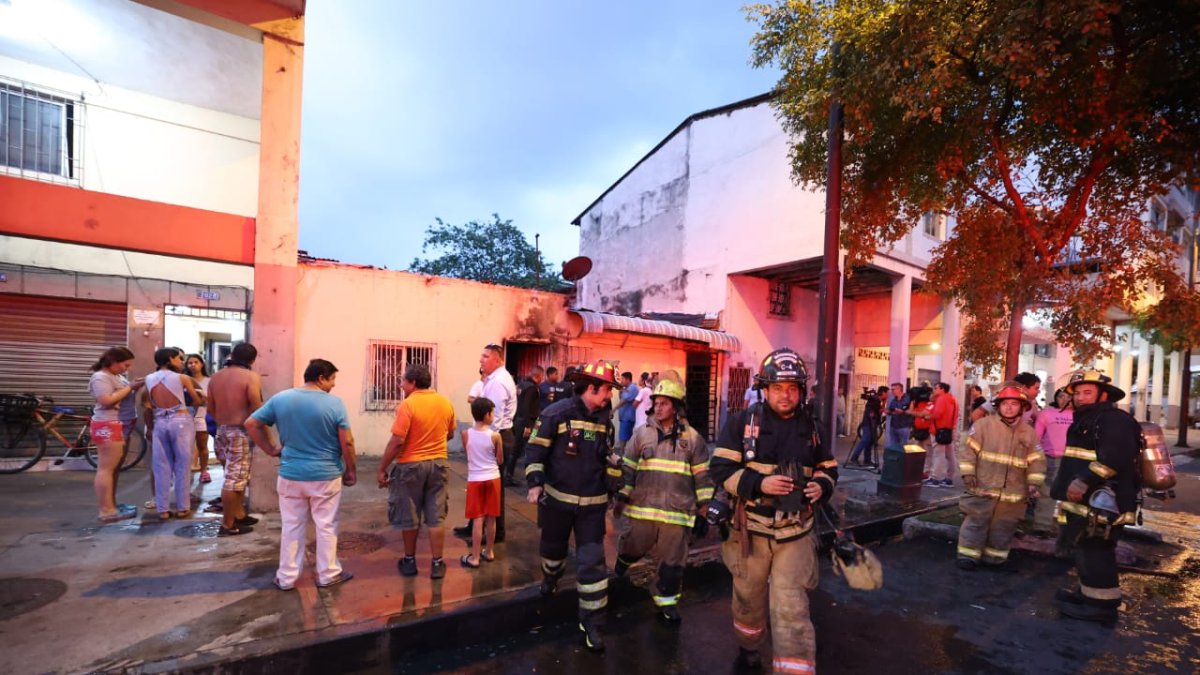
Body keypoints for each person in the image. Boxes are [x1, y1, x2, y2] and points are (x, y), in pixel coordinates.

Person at [709, 348, 839, 673]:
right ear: (764, 389)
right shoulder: (741, 424)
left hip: (795, 533)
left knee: (791, 609)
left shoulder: (813, 429)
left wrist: (821, 486)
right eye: (778, 388)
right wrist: (759, 484)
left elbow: (829, 469)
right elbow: (721, 470)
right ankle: (750, 651)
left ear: (801, 391)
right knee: (748, 601)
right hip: (749, 533)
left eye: (793, 388)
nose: (786, 395)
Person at [525, 359, 621, 653]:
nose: (610, 395)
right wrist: (535, 482)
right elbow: (535, 449)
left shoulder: (606, 420)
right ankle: (551, 577)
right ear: (591, 388)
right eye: (607, 389)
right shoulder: (556, 413)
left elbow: (606, 458)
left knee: (593, 565)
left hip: (592, 507)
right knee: (552, 551)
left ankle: (593, 623)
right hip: (556, 503)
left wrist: (616, 486)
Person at [246, 358, 357, 590]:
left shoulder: (281, 398)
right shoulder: (334, 404)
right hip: (325, 476)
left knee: (292, 526)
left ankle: (286, 578)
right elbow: (346, 441)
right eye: (332, 379)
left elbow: (251, 423)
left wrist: (271, 449)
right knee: (326, 525)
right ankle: (328, 574)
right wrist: (351, 470)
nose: (334, 385)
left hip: (291, 475)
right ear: (321, 378)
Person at [613, 379, 712, 624]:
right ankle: (621, 566)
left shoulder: (693, 439)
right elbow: (628, 470)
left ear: (676, 407)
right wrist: (622, 497)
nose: (658, 408)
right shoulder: (641, 434)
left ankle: (666, 605)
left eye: (664, 403)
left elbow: (703, 478)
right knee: (632, 547)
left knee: (672, 564)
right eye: (656, 403)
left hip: (677, 514)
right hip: (643, 509)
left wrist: (703, 512)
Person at [1051, 370, 1140, 624]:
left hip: (1103, 502)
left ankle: (1101, 607)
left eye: (1086, 392)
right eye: (1077, 393)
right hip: (1084, 502)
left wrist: (1083, 480)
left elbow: (1114, 457)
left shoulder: (1113, 419)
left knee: (1096, 549)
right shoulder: (1088, 419)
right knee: (1084, 546)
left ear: (1103, 394)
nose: (1080, 397)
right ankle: (1088, 594)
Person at [376, 362, 457, 578]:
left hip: (410, 466)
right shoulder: (445, 403)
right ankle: (437, 564)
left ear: (413, 383)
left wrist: (382, 468)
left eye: (403, 381)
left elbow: (397, 440)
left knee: (409, 515)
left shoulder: (408, 405)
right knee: (435, 516)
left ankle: (410, 561)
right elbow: (450, 434)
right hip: (439, 463)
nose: (401, 385)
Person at [955, 383, 1045, 570]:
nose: (1009, 407)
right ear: (998, 406)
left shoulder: (1028, 432)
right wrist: (968, 473)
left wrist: (1034, 483)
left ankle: (994, 558)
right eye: (1005, 403)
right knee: (976, 521)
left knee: (1004, 526)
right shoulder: (982, 426)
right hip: (982, 486)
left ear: (1022, 407)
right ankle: (968, 556)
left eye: (1014, 403)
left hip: (1013, 491)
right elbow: (968, 452)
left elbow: (1036, 460)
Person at [455, 343, 517, 543]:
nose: (481, 360)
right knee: (482, 485)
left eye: (485, 356)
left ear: (497, 359)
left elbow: (494, 418)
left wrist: (484, 444)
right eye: (481, 356)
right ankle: (475, 526)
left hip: (496, 437)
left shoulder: (498, 382)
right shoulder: (493, 380)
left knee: (492, 488)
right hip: (492, 436)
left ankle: (494, 533)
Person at [206, 342, 263, 536]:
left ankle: (239, 514)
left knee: (237, 477)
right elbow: (256, 405)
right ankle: (228, 524)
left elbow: (210, 408)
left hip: (221, 431)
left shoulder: (216, 377)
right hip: (239, 431)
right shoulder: (250, 377)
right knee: (234, 480)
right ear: (252, 360)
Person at [88, 346, 145, 522]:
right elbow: (106, 400)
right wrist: (131, 387)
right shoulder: (100, 377)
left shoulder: (116, 376)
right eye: (125, 365)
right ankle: (106, 510)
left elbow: (120, 393)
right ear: (113, 362)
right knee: (106, 469)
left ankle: (112, 504)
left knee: (114, 469)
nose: (126, 369)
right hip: (109, 425)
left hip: (121, 425)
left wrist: (133, 385)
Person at [145, 348, 203, 519]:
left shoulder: (148, 378)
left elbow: (149, 405)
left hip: (160, 421)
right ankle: (183, 507)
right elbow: (196, 400)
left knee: (161, 465)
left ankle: (162, 509)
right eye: (179, 358)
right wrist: (202, 398)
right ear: (170, 359)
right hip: (181, 421)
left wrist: (150, 427)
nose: (182, 362)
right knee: (183, 465)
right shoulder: (182, 378)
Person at [459, 397, 503, 569]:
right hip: (493, 477)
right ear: (487, 415)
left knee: (478, 518)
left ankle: (475, 557)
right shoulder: (495, 436)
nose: (493, 415)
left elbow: (468, 454)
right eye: (492, 412)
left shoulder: (465, 434)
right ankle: (489, 552)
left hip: (475, 479)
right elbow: (499, 460)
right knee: (491, 517)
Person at [1032, 388, 1073, 535]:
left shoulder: (1080, 415)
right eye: (1061, 396)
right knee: (1047, 492)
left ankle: (1066, 529)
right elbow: (1036, 437)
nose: (1064, 399)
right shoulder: (1047, 413)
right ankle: (1042, 526)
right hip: (1051, 459)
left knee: (1070, 494)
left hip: (1072, 460)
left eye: (1068, 397)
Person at [507, 365, 544, 486]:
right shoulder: (532, 388)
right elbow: (526, 407)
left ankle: (509, 475)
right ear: (538, 376)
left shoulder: (521, 385)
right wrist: (528, 426)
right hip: (528, 423)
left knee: (517, 449)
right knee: (531, 447)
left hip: (518, 421)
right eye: (541, 377)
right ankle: (511, 476)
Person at [922, 383, 960, 488]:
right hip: (949, 430)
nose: (934, 390)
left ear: (942, 389)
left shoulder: (941, 399)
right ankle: (949, 478)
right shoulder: (953, 399)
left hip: (938, 430)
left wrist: (927, 417)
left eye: (936, 388)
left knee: (938, 454)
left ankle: (936, 479)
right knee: (950, 455)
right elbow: (956, 415)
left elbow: (937, 414)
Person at [185, 354, 212, 485]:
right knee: (186, 447)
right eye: (190, 363)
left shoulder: (209, 380)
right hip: (185, 417)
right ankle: (187, 472)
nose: (193, 365)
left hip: (202, 415)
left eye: (196, 362)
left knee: (202, 445)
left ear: (202, 364)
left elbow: (213, 398)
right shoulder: (184, 379)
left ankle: (203, 471)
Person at [846, 385, 886, 469]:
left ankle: (867, 460)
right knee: (865, 440)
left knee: (870, 441)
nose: (888, 394)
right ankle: (854, 458)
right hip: (869, 423)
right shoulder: (875, 400)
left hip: (872, 423)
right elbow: (875, 412)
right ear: (883, 393)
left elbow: (878, 412)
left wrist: (884, 403)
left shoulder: (877, 400)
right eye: (887, 393)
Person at [884, 382, 913, 449]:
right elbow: (891, 410)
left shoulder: (907, 398)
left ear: (899, 389)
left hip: (904, 426)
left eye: (893, 389)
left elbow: (906, 410)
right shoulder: (894, 400)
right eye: (891, 389)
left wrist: (900, 411)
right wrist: (888, 411)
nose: (892, 391)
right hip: (893, 426)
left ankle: (903, 459)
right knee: (894, 447)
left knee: (903, 447)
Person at [614, 371, 639, 449]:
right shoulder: (626, 388)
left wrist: (613, 410)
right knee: (625, 437)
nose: (621, 381)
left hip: (627, 418)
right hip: (624, 417)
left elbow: (623, 401)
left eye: (622, 379)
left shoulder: (632, 388)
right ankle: (624, 455)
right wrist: (621, 389)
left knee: (623, 438)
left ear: (628, 379)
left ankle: (622, 457)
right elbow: (621, 398)